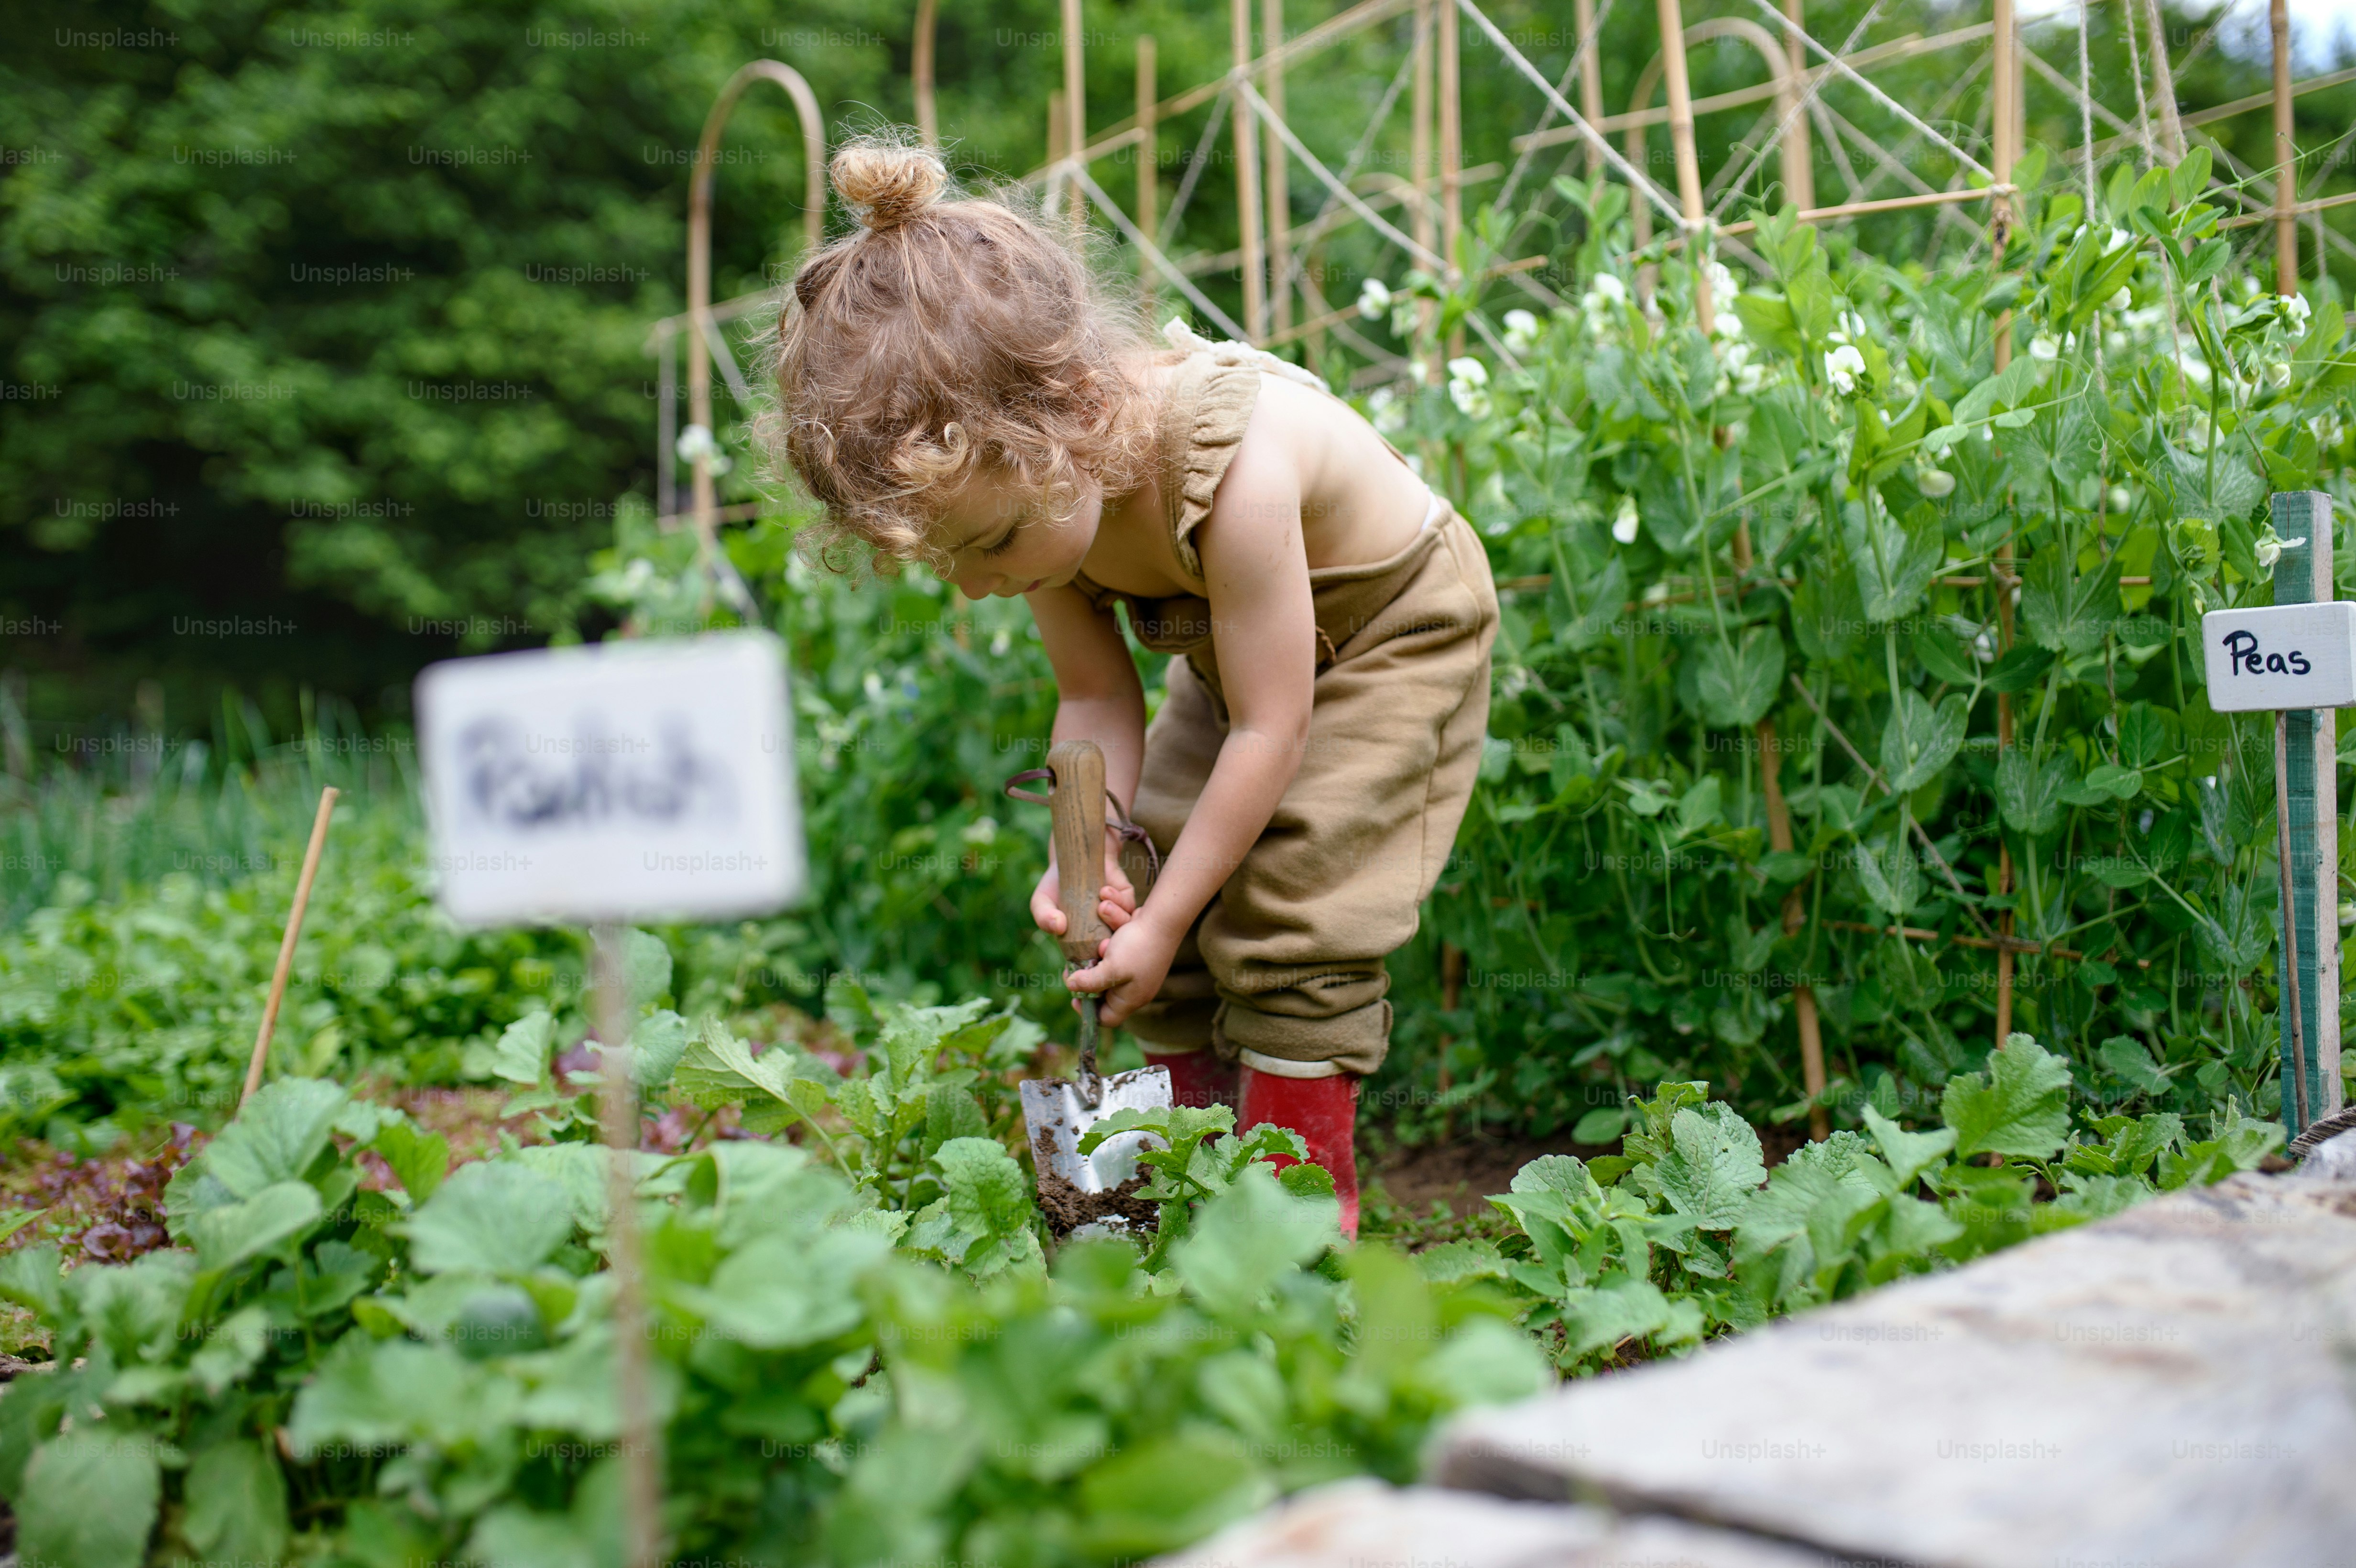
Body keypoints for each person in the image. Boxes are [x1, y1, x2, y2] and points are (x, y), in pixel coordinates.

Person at [770, 138, 1496, 1236]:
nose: (977, 587)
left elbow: (1273, 725)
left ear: (1065, 415)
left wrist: (1164, 921)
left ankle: (1304, 1220)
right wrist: (1099, 860)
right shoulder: (1038, 516)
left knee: (1296, 898)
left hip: (1392, 630)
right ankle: (1185, 1187)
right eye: (947, 564)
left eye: (993, 546)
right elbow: (1095, 700)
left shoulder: (1236, 461)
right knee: (1162, 856)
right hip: (1238, 649)